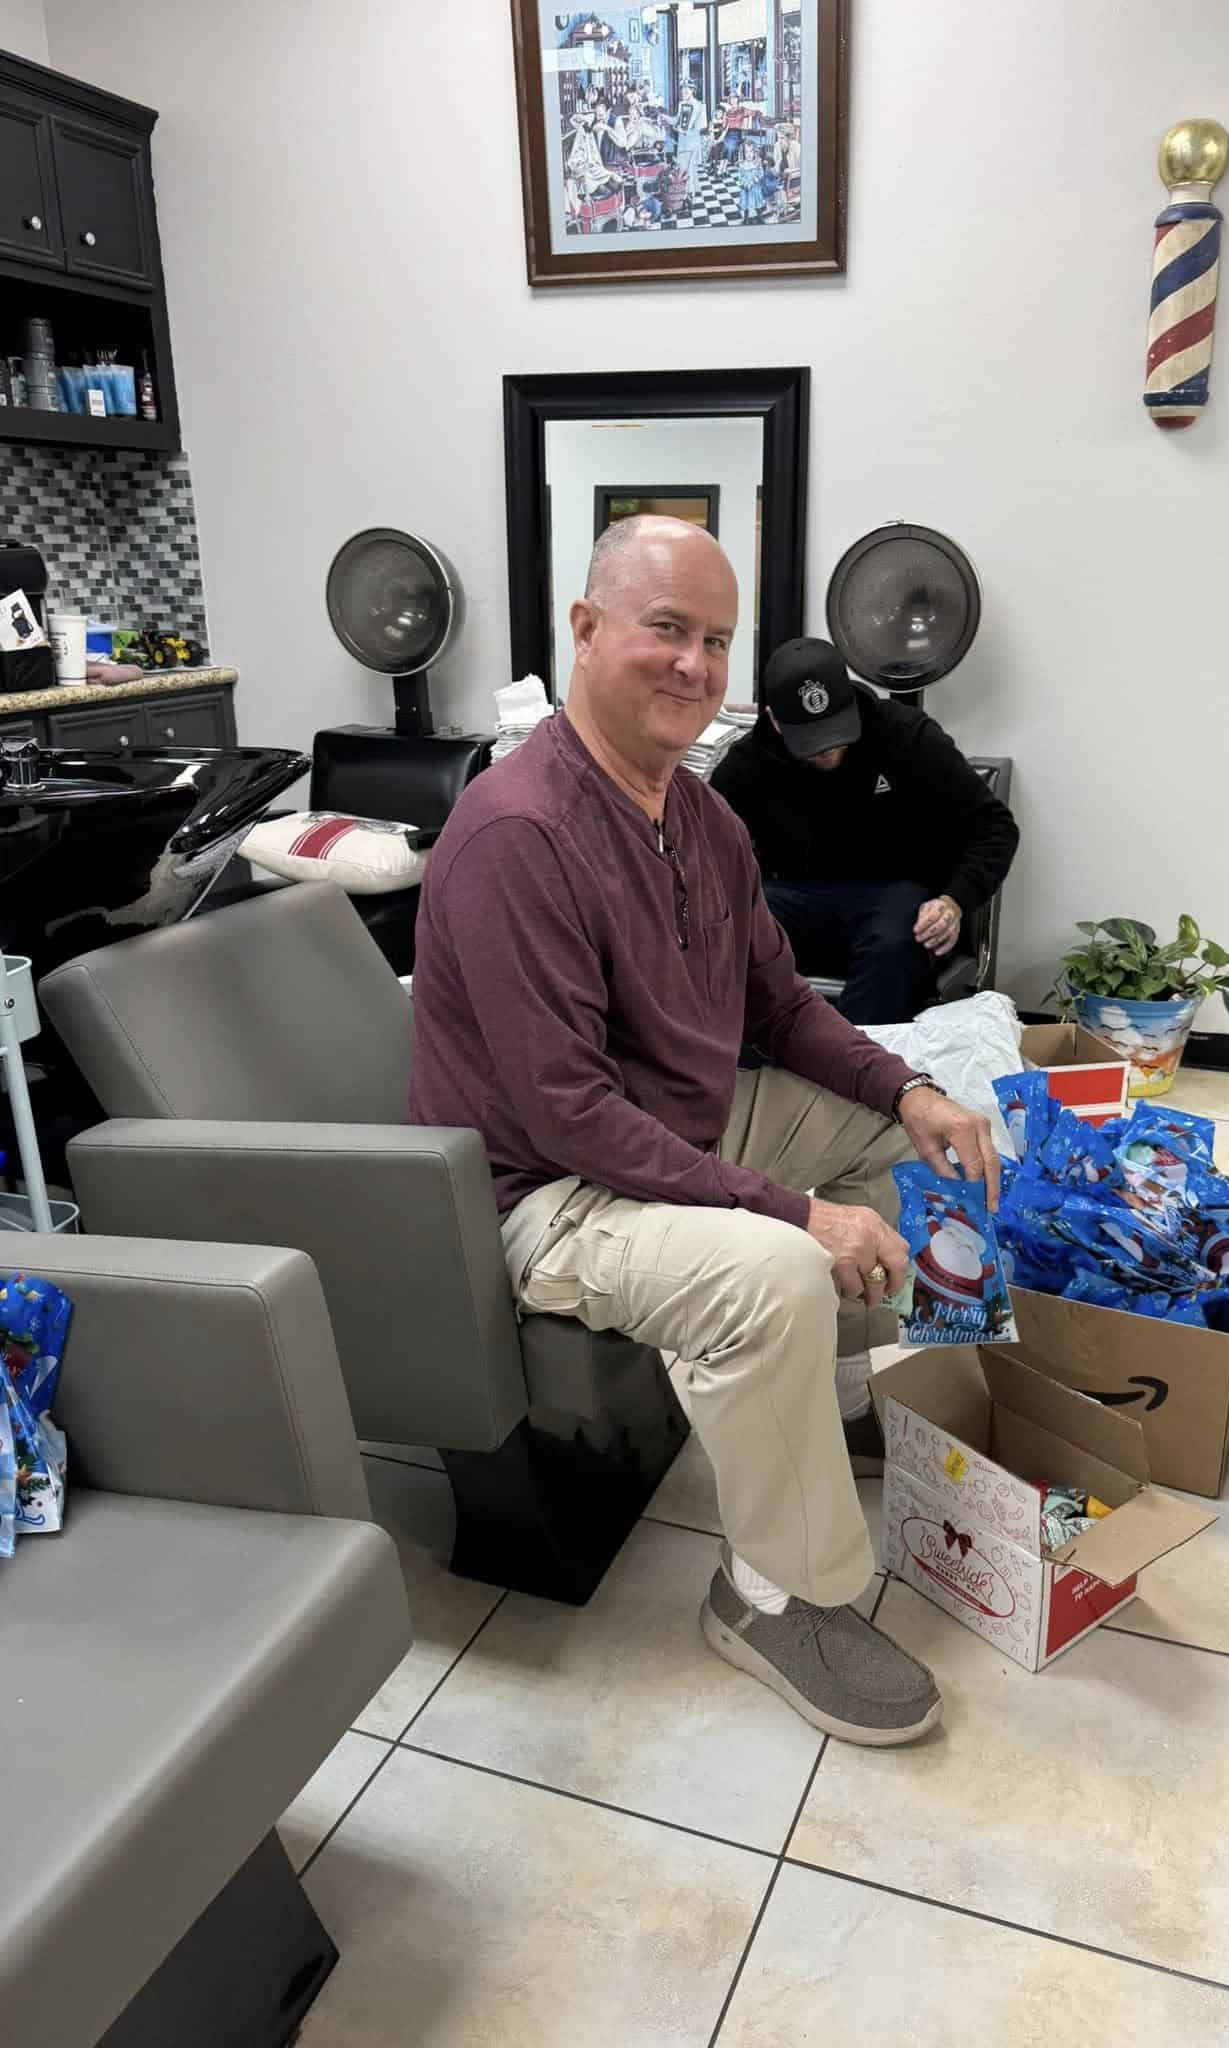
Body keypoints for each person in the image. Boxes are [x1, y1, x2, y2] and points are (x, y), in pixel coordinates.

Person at [411, 517, 999, 1748]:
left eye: (715, 640)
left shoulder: (701, 818)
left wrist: (911, 1092)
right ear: (586, 629)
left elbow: (779, 1008)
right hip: (547, 1191)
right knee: (775, 1270)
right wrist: (790, 1210)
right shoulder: (521, 833)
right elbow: (569, 1113)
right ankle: (773, 1595)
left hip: (673, 1127)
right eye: (666, 628)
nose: (694, 664)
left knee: (921, 1143)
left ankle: (836, 1397)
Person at [712, 637, 1021, 1025]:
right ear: (774, 720)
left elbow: (994, 827)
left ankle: (852, 1059)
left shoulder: (906, 735)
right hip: (796, 895)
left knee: (895, 941)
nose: (827, 750)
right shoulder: (747, 764)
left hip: (895, 895)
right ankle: (738, 1056)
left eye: (836, 731)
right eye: (810, 740)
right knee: (727, 927)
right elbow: (705, 852)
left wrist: (954, 901)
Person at [666, 81, 706, 200]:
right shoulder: (682, 104)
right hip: (683, 140)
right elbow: (676, 120)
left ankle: (689, 195)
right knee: (685, 167)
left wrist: (678, 128)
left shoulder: (698, 105)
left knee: (687, 168)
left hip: (692, 141)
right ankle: (692, 192)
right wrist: (665, 118)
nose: (684, 92)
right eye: (682, 89)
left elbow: (691, 126)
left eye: (687, 89)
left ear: (693, 90)